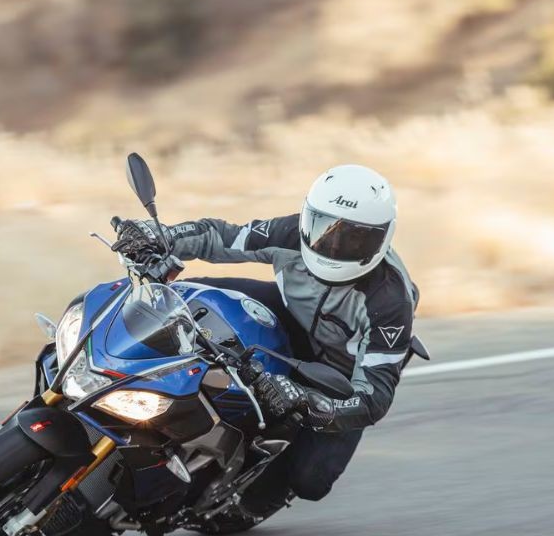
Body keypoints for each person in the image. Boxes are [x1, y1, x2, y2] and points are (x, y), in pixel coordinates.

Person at [111, 164, 418, 516]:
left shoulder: (390, 302)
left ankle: (259, 497)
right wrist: (160, 235)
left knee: (311, 481)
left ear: (381, 240)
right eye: (324, 229)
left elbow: (374, 398)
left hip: (339, 371)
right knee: (188, 298)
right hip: (290, 315)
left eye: (353, 238)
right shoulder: (291, 233)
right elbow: (219, 236)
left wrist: (313, 404)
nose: (333, 245)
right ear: (308, 218)